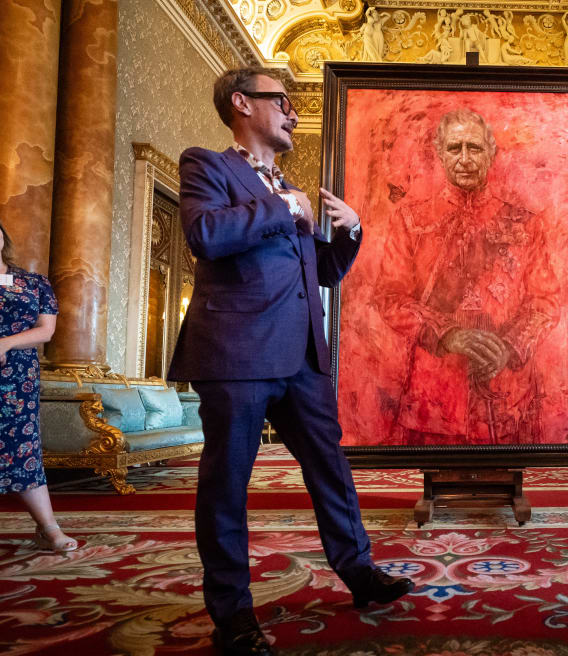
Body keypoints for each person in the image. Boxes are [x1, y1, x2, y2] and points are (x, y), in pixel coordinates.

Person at [168, 67, 413, 656]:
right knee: (227, 486)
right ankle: (233, 615)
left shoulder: (288, 187)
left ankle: (358, 574)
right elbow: (204, 233)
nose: (294, 111)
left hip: (303, 356)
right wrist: (284, 208)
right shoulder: (207, 164)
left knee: (330, 468)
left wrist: (351, 231)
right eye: (282, 100)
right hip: (237, 353)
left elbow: (321, 274)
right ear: (241, 103)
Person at [373, 108, 559, 446]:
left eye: (473, 148)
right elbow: (390, 297)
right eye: (454, 148)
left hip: (507, 394)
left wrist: (509, 347)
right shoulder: (410, 220)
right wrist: (447, 335)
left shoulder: (526, 223)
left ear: (491, 153)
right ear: (440, 154)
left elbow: (545, 301)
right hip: (435, 392)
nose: (464, 158)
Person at [0, 223, 77, 553]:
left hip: (18, 379)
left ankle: (48, 529)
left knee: (23, 448)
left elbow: (46, 330)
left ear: (3, 237)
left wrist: (3, 344)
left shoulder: (33, 283)